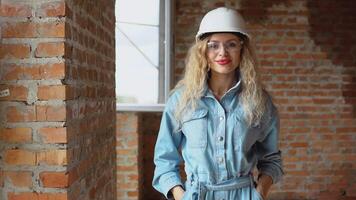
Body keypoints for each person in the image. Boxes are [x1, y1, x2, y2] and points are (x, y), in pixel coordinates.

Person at [152, 7, 283, 200]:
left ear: (242, 49)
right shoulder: (181, 100)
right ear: (203, 50)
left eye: (231, 44)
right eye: (214, 45)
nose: (223, 53)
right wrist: (182, 196)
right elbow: (164, 161)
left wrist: (259, 193)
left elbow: (271, 160)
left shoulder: (260, 102)